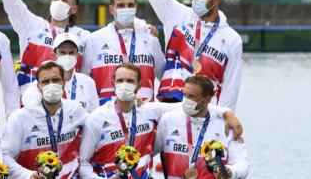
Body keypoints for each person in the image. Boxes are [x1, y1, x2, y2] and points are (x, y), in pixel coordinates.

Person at [79, 63, 242, 178]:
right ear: (112, 83)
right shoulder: (96, 118)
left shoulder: (150, 110)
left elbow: (190, 105)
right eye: (120, 80)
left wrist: (227, 113)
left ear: (139, 85)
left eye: (130, 81)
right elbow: (83, 162)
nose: (124, 85)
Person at [144, 0, 243, 110]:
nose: (195, 0)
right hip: (170, 104)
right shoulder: (178, 15)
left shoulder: (232, 39)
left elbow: (230, 87)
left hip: (204, 111)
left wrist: (223, 120)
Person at [3, 0, 90, 93]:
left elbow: (86, 76)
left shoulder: (84, 37)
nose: (59, 2)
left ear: (74, 9)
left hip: (66, 104)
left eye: (64, 0)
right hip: (31, 102)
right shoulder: (32, 25)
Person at [1, 61, 87, 179]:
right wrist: (27, 175)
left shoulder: (75, 109)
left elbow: (97, 128)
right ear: (38, 86)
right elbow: (4, 155)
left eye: (55, 80)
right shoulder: (19, 118)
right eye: (45, 82)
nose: (51, 85)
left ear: (63, 82)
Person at [81, 0, 166, 105]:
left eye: (130, 5)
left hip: (143, 113)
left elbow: (163, 74)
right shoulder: (94, 39)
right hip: (106, 114)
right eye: (121, 5)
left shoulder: (150, 38)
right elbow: (83, 79)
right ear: (111, 9)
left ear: (136, 8)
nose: (126, 8)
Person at [155, 75, 249, 178]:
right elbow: (147, 153)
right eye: (184, 95)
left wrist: (231, 171)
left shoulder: (226, 126)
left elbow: (243, 164)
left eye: (191, 96)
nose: (186, 100)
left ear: (207, 100)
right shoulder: (168, 120)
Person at [22, 33, 99, 113]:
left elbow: (94, 116)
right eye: (63, 52)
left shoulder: (88, 82)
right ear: (54, 55)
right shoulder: (41, 83)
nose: (67, 56)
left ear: (77, 55)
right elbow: (30, 112)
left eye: (71, 52)